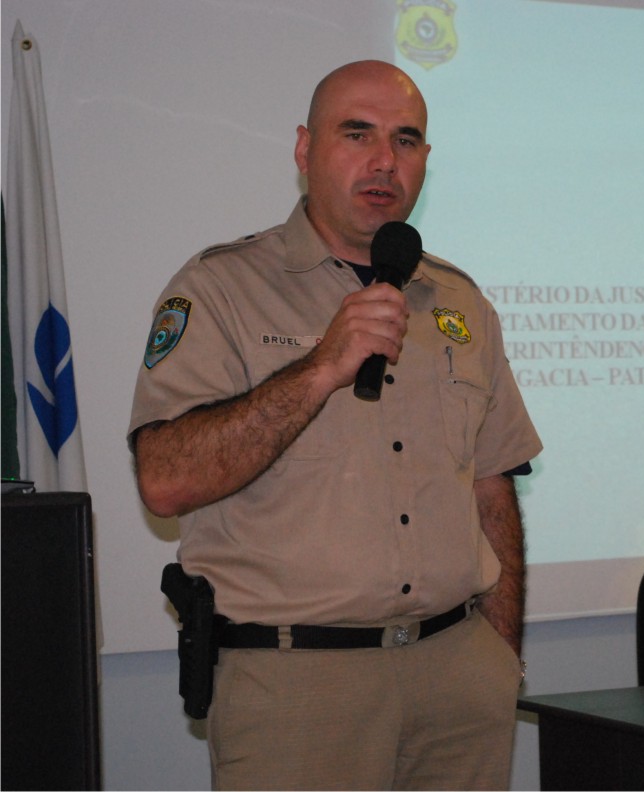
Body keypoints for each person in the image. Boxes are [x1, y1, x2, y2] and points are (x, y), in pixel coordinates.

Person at [128, 60, 542, 790]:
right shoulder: (221, 287)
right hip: (297, 683)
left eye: (405, 140)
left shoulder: (460, 302)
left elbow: (490, 483)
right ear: (304, 148)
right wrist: (321, 367)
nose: (384, 160)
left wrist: (500, 654)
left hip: (457, 678)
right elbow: (164, 479)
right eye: (357, 133)